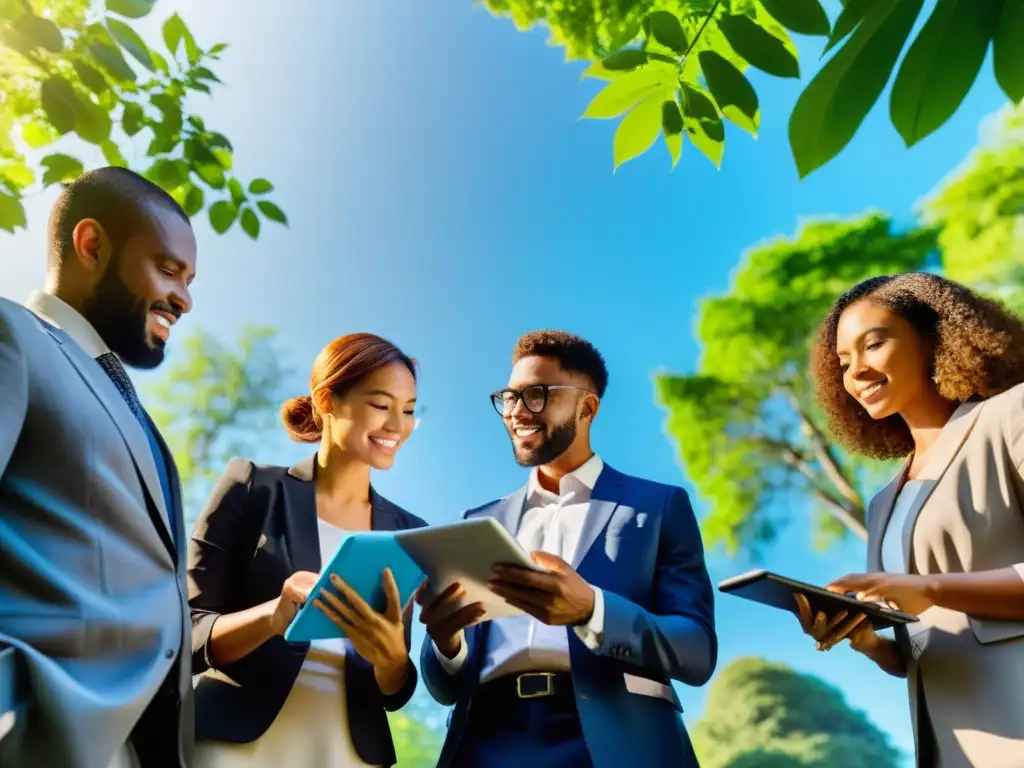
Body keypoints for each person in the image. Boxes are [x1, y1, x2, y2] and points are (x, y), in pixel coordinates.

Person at [416, 330, 717, 768]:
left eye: (536, 394)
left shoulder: (658, 507)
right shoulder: (477, 523)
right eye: (509, 397)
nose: (517, 411)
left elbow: (697, 651)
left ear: (586, 407)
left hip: (614, 739)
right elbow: (445, 686)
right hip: (483, 742)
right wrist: (446, 642)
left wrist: (591, 610)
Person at [0, 167, 198, 768]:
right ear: (91, 245)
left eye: (190, 281)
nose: (185, 299)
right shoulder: (11, 334)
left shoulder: (136, 416)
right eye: (168, 270)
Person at [801, 272, 1024, 767]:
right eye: (843, 361)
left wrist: (932, 588)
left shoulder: (1011, 416)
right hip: (949, 741)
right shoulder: (884, 503)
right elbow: (921, 652)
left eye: (873, 344)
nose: (856, 371)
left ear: (933, 338)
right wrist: (867, 641)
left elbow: (936, 597)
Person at [187, 332, 427, 768]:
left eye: (409, 410)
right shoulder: (251, 487)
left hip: (349, 752)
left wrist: (392, 658)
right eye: (381, 404)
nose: (398, 425)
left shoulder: (409, 533)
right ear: (327, 401)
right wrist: (270, 617)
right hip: (234, 745)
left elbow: (394, 692)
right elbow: (186, 634)